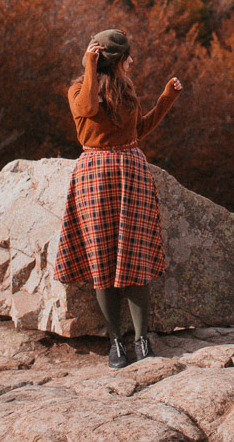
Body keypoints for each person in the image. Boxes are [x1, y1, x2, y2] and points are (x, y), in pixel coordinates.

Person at [53, 29, 183, 369]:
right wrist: (89, 67)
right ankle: (116, 342)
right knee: (101, 262)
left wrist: (165, 99)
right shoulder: (79, 90)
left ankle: (140, 339)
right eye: (128, 58)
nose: (132, 62)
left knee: (134, 260)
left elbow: (137, 131)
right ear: (118, 61)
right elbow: (88, 107)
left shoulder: (126, 91)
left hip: (131, 172)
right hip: (95, 175)